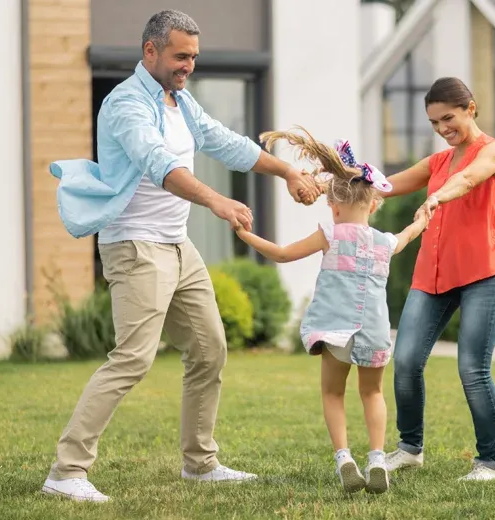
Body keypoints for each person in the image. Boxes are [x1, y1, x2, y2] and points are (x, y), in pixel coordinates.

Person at [41, 10, 320, 503]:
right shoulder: (126, 103)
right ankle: (67, 471)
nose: (188, 64)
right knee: (131, 359)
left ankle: (200, 463)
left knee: (210, 348)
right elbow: (159, 165)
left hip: (176, 244)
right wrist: (217, 200)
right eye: (180, 56)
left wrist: (287, 172)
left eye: (193, 56)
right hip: (135, 244)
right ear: (150, 51)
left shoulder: (180, 101)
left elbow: (224, 143)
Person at [234, 127, 428, 494]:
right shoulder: (384, 242)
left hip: (336, 330)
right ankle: (375, 458)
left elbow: (282, 253)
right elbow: (407, 235)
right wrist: (421, 220)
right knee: (372, 394)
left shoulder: (330, 233)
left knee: (333, 393)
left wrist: (245, 236)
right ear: (373, 204)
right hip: (373, 330)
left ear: (332, 205)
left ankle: (344, 457)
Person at [380, 77, 495, 481]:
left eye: (448, 118)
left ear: (471, 108)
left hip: (482, 273)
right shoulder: (439, 161)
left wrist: (439, 196)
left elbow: (471, 178)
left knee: (473, 369)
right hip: (433, 273)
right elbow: (390, 183)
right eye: (435, 122)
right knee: (404, 360)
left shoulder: (493, 151)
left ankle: (490, 462)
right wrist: (345, 174)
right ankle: (409, 448)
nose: (442, 129)